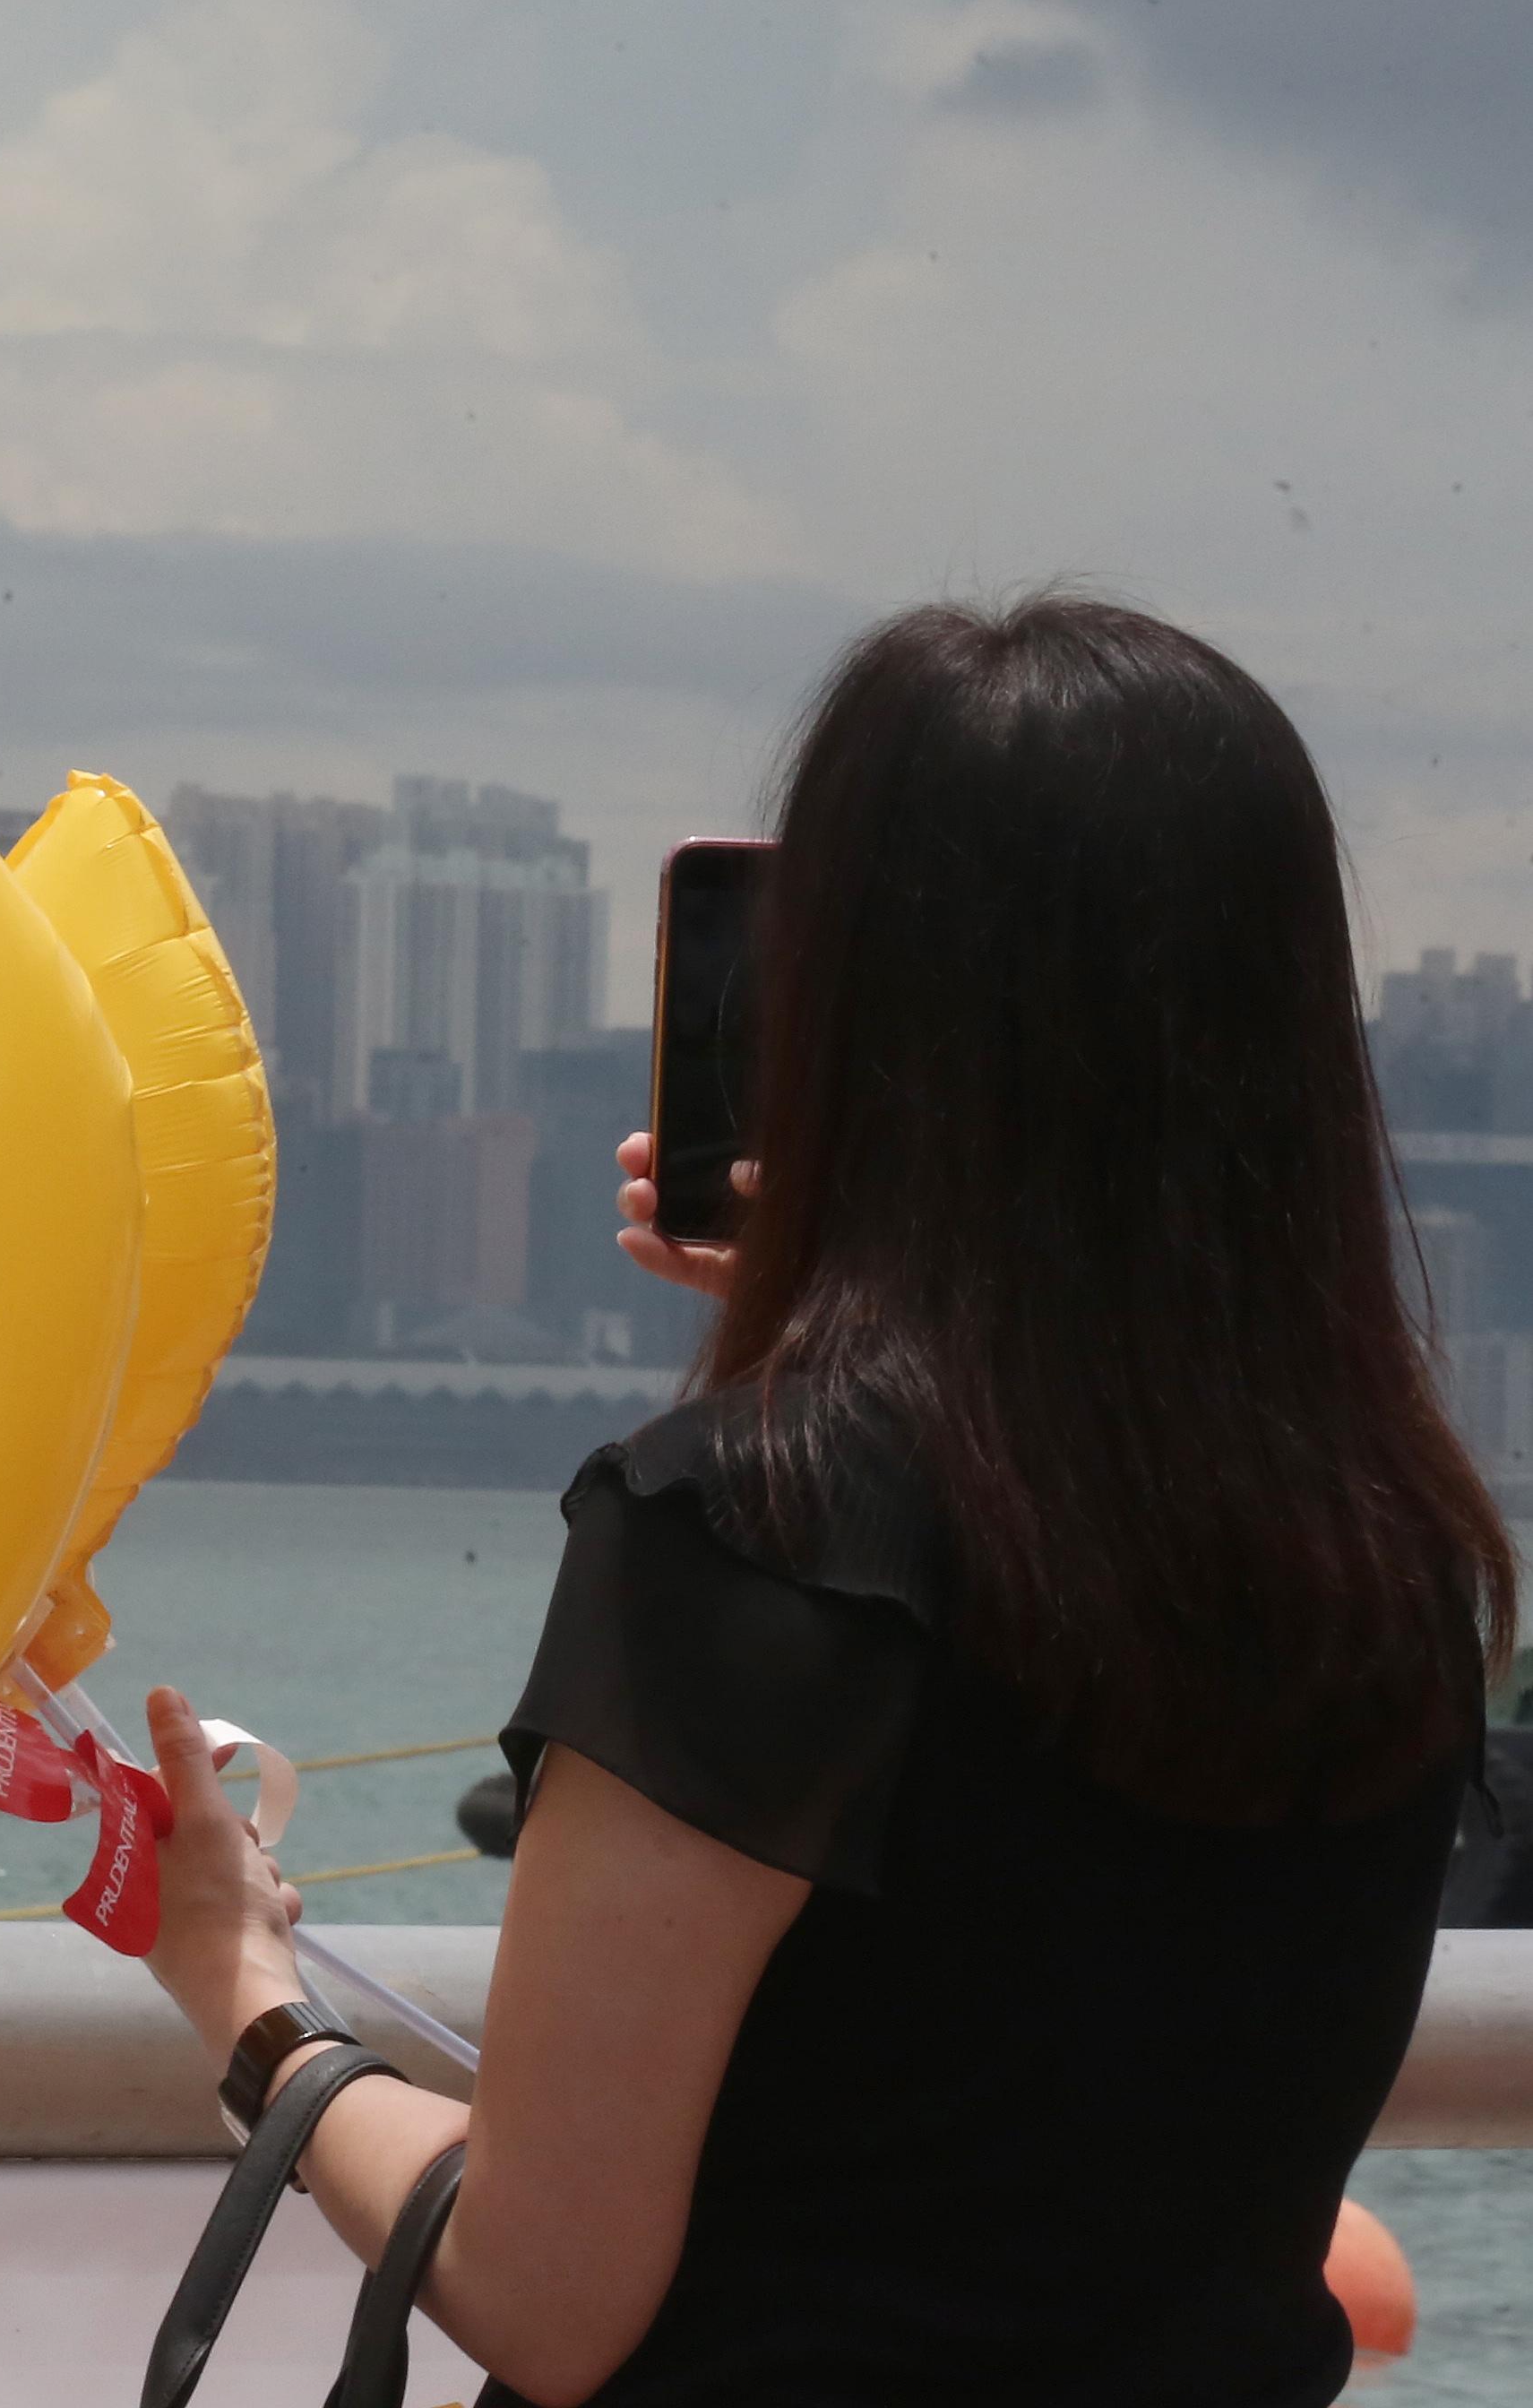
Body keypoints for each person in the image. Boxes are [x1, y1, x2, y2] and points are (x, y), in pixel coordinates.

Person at [140, 592, 1516, 2405]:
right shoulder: (1391, 1565)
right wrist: (848, 1346)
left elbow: (543, 2296)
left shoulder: (742, 1538)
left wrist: (243, 1996)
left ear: (855, 1002)